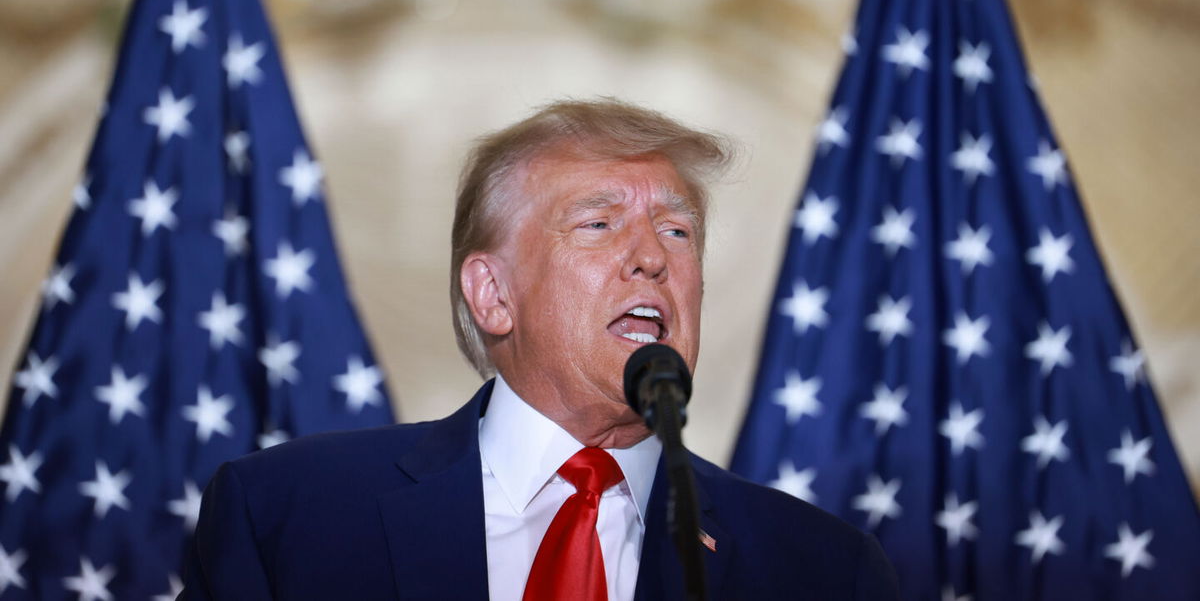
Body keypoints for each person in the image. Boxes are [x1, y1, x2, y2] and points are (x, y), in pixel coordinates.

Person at [182, 99, 900, 600]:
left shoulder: (821, 568)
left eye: (678, 232)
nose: (652, 258)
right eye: (598, 223)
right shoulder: (290, 515)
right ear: (493, 294)